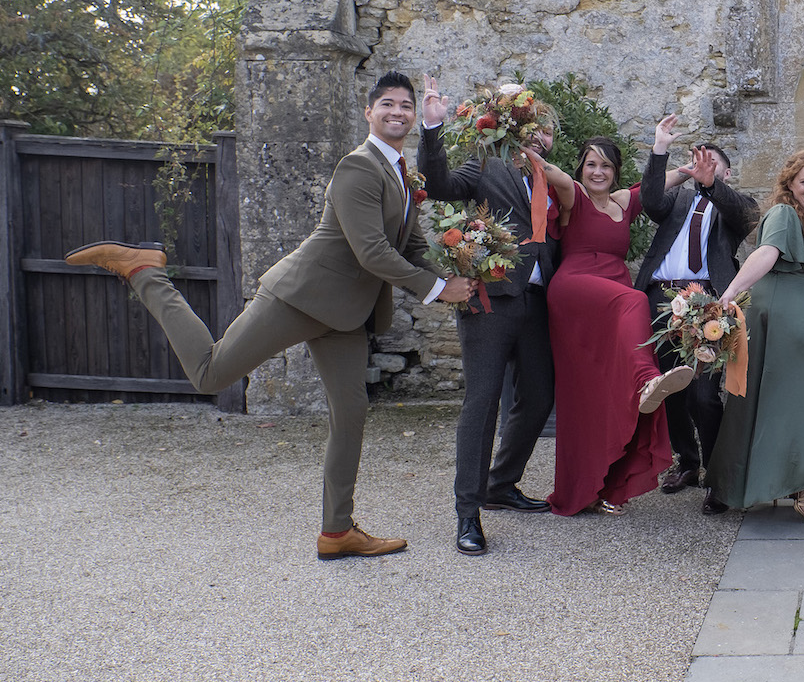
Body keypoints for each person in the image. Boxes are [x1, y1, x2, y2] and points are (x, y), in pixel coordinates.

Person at [65, 71, 474, 560]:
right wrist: (436, 289)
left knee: (352, 413)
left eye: (406, 106)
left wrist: (459, 276)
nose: (397, 112)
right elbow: (371, 251)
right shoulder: (358, 167)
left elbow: (409, 246)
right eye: (387, 103)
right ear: (368, 112)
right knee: (210, 374)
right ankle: (147, 272)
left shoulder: (404, 175)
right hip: (299, 298)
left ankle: (337, 531)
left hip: (345, 315)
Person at [417, 76, 560, 556]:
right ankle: (468, 514)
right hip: (490, 300)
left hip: (538, 302)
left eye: (546, 131)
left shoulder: (548, 176)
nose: (539, 135)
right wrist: (432, 127)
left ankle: (502, 484)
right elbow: (437, 185)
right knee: (481, 405)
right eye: (532, 126)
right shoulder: (484, 162)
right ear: (508, 124)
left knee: (539, 396)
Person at [703, 151, 804, 522]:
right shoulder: (783, 214)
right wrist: (729, 293)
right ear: (789, 184)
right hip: (781, 311)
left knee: (786, 401)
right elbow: (767, 253)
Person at [539, 136, 694, 517]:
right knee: (637, 299)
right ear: (581, 168)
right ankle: (648, 379)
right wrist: (515, 131)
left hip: (611, 302)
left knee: (601, 394)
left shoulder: (625, 202)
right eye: (591, 164)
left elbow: (662, 182)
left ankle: (601, 487)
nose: (598, 172)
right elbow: (549, 172)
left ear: (615, 172)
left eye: (606, 166)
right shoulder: (573, 194)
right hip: (576, 290)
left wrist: (688, 166)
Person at [635, 114, 757, 513]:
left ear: (725, 171)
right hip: (660, 300)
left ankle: (717, 476)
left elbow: (744, 215)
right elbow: (649, 200)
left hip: (706, 303)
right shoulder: (678, 201)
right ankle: (687, 462)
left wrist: (710, 184)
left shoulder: (734, 206)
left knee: (704, 395)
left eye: (712, 163)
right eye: (698, 162)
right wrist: (660, 149)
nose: (703, 166)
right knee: (671, 388)